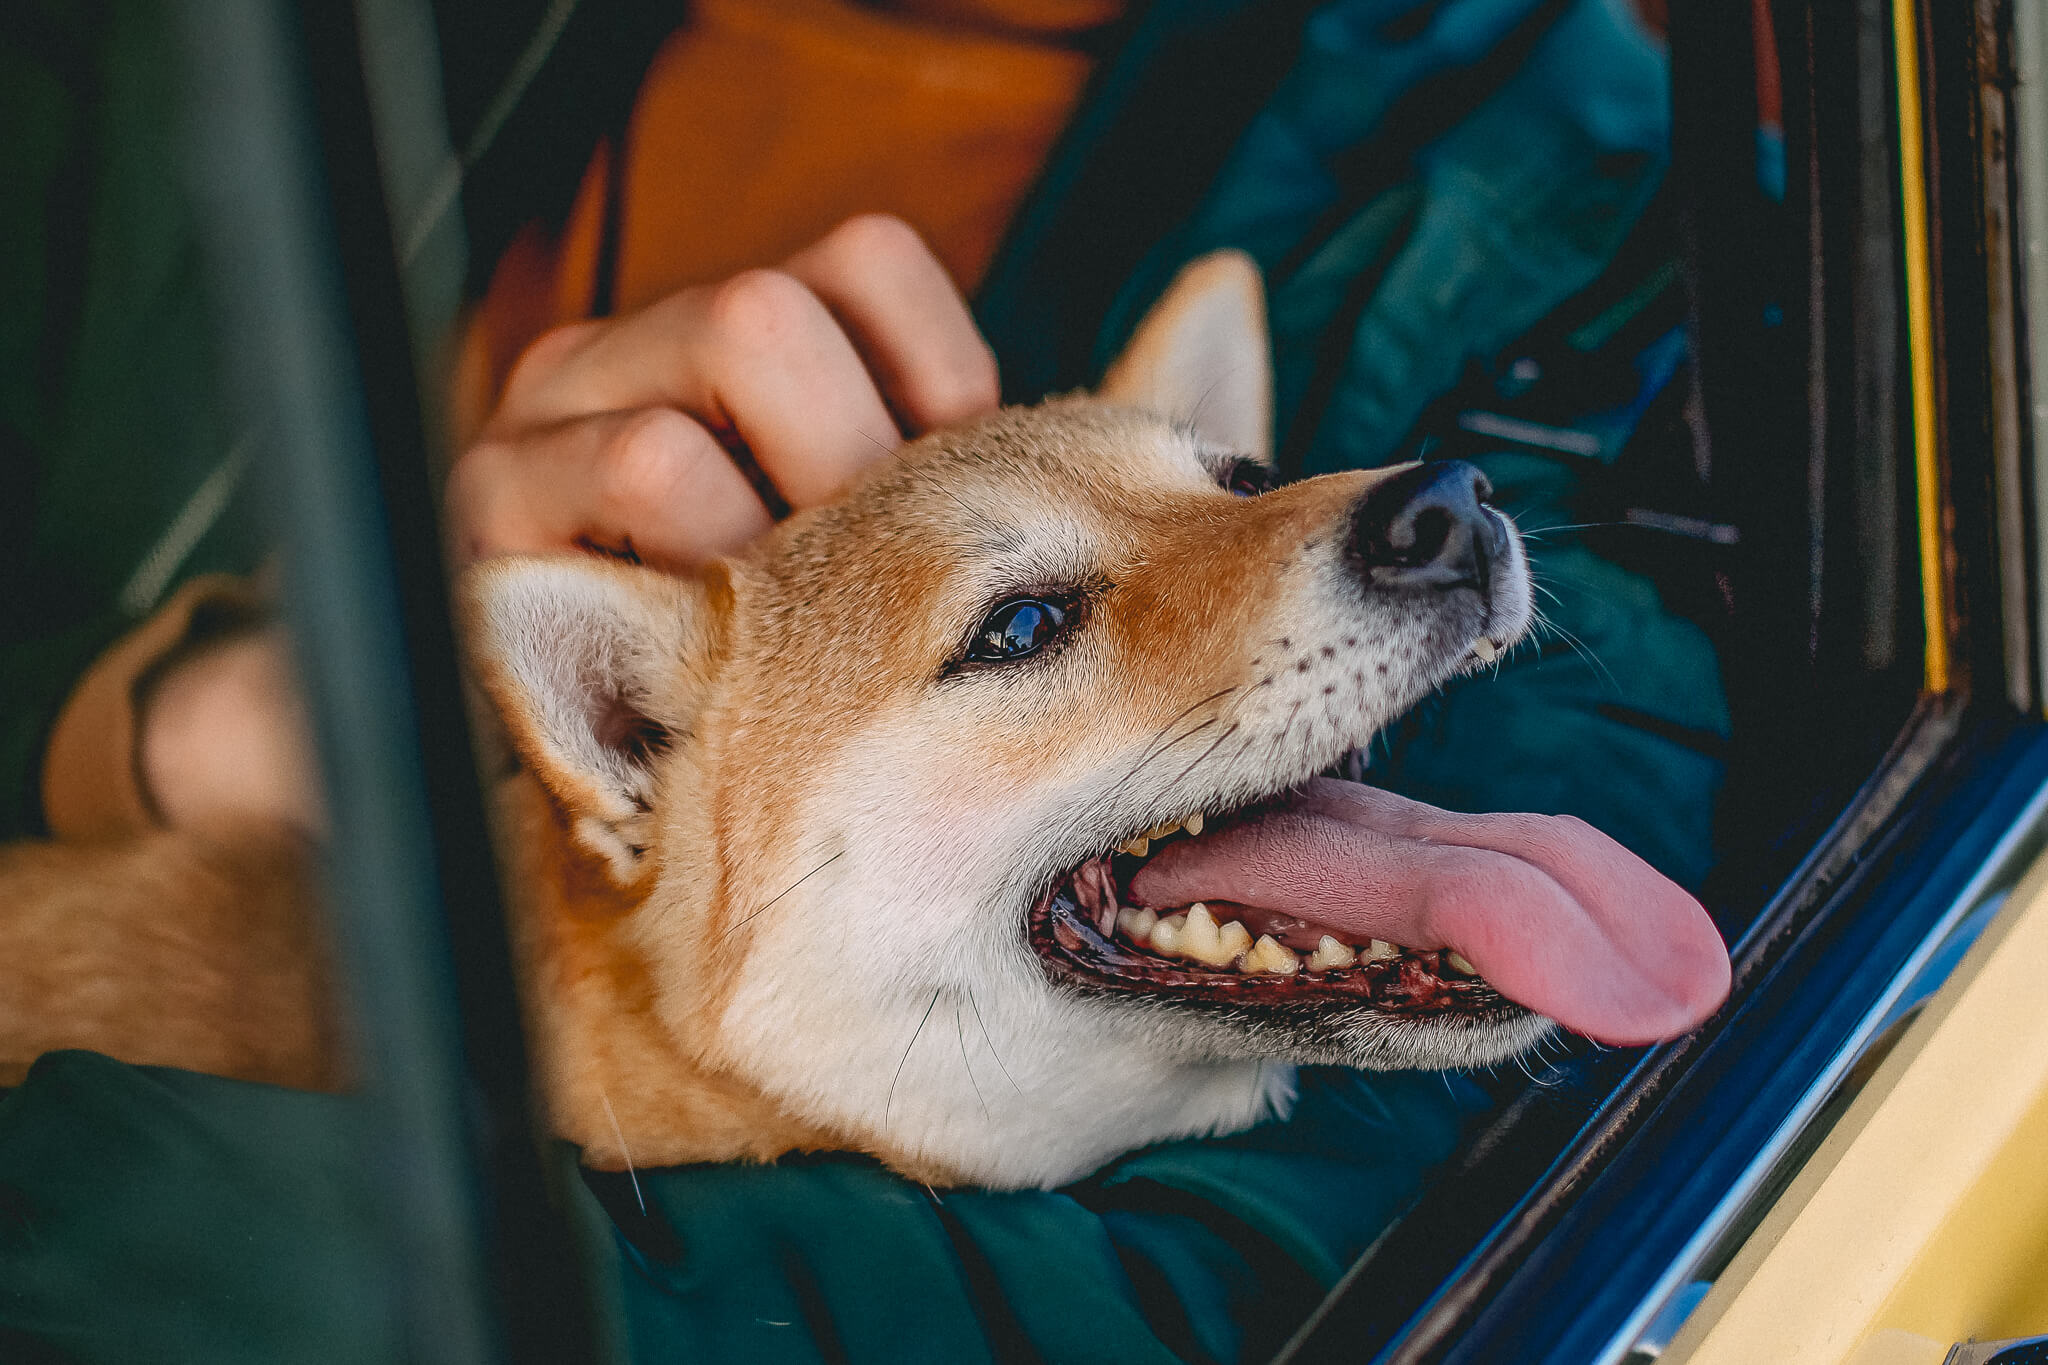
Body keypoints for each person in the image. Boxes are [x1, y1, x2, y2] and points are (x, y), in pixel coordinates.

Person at [1, 0, 1731, 1360]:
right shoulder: (139, 54)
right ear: (627, 746)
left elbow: (1287, 1282)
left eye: (1225, 482)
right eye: (1027, 627)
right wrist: (165, 718)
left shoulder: (1622, 249)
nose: (1368, 515)